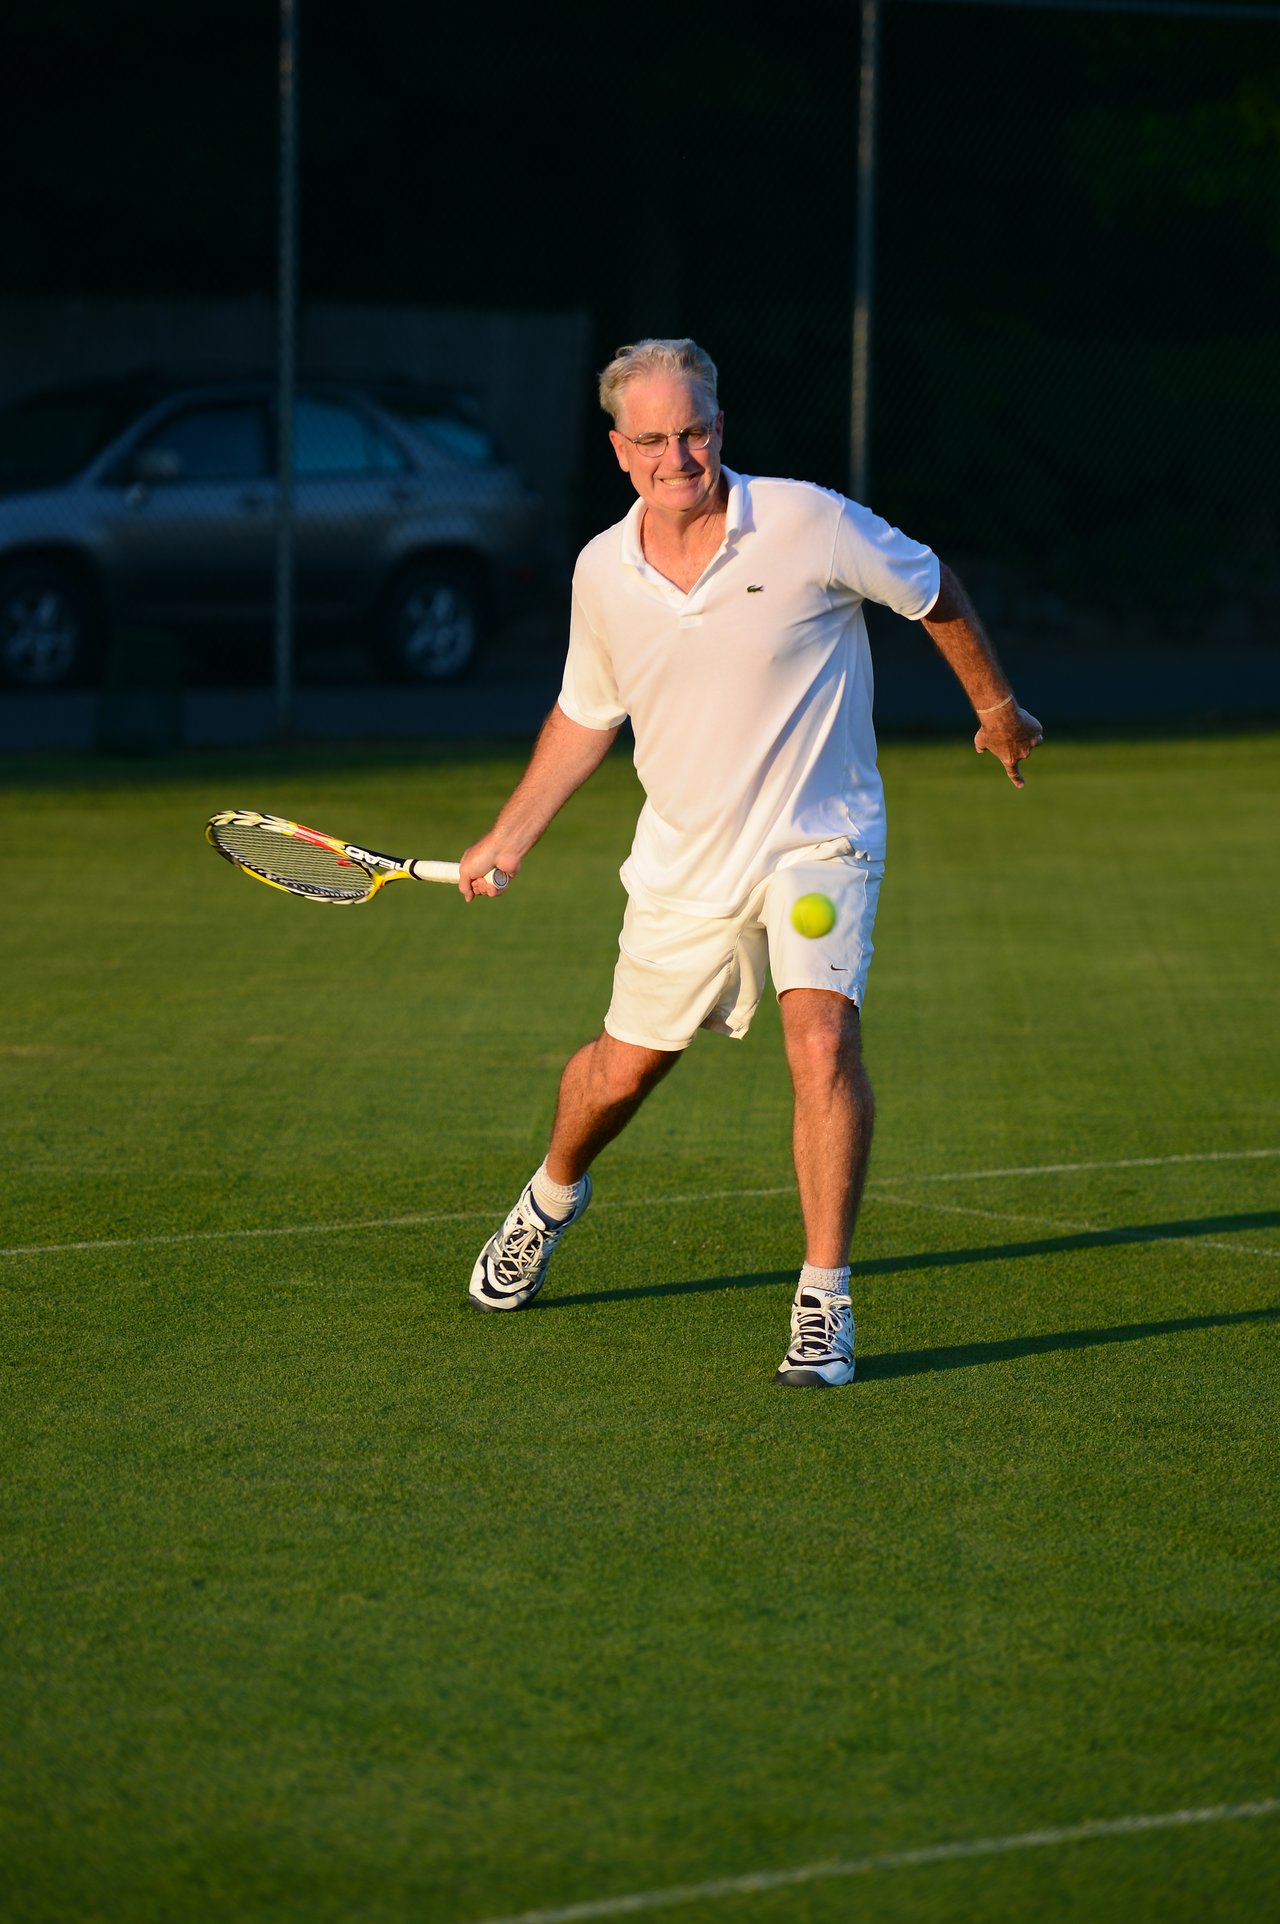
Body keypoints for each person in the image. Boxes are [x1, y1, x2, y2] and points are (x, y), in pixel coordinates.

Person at [458, 338, 1042, 1386]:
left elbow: (930, 586)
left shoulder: (807, 519)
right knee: (622, 1070)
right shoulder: (602, 571)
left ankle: (823, 1303)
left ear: (718, 428)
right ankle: (549, 1195)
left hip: (821, 839)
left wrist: (994, 709)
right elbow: (587, 713)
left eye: (695, 430)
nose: (679, 453)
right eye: (654, 439)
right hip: (684, 863)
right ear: (619, 452)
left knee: (819, 1042)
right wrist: (508, 836)